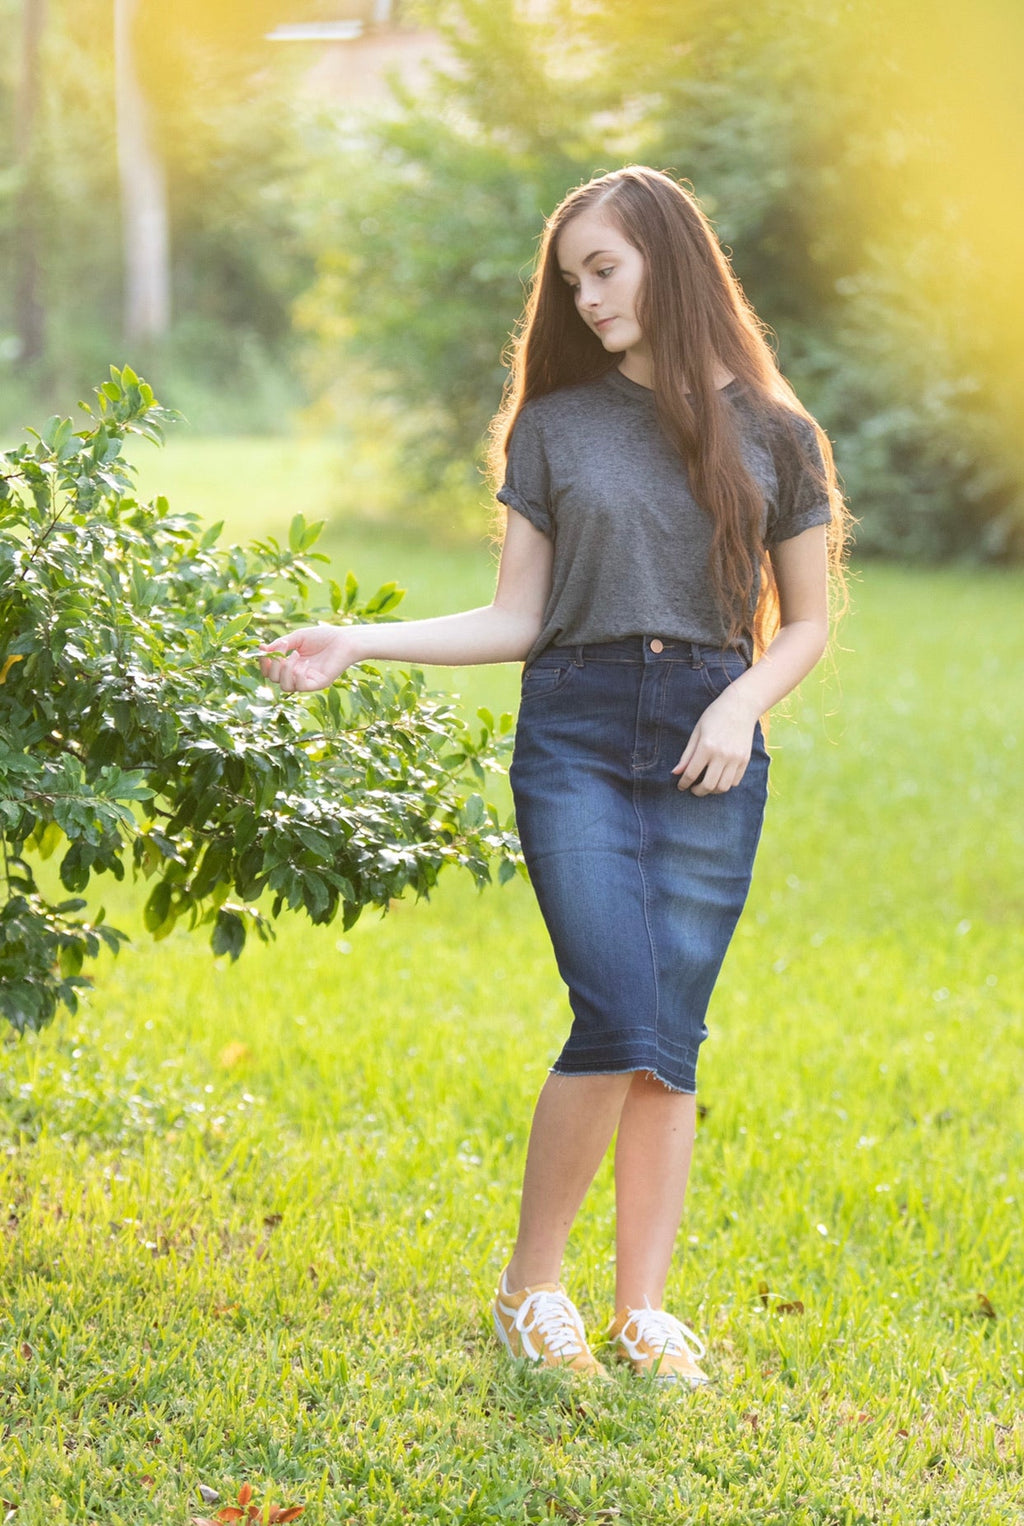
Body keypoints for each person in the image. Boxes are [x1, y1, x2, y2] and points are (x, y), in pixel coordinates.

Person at [259, 166, 848, 1387]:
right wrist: (357, 641)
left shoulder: (779, 437)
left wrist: (740, 701)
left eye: (604, 268)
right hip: (575, 734)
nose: (583, 296)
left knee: (668, 1036)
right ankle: (532, 1288)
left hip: (707, 739)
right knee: (618, 1005)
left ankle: (641, 1309)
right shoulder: (555, 426)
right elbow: (516, 616)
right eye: (570, 276)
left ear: (668, 262)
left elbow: (806, 622)